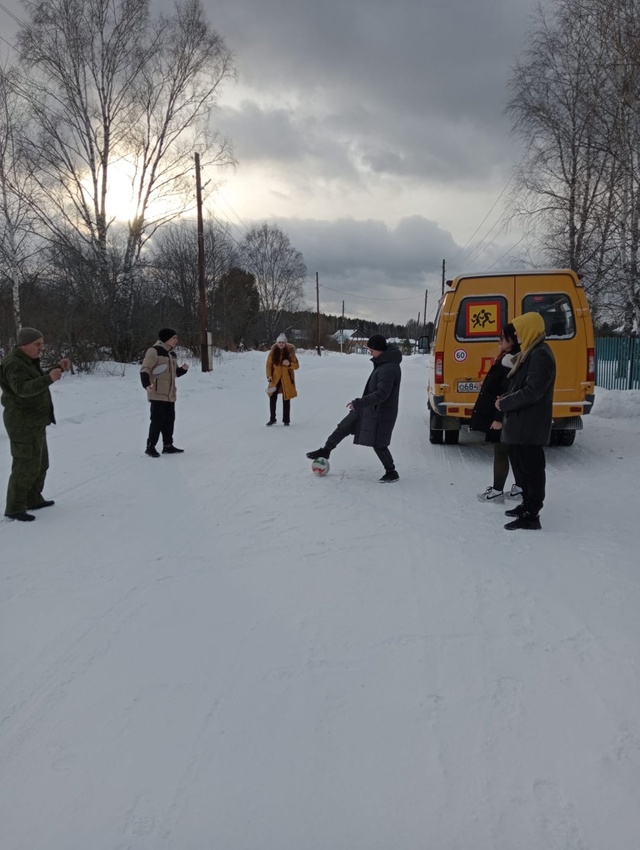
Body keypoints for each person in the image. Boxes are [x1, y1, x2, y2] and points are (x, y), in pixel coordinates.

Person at [306, 334, 402, 482]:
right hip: (369, 409)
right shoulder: (384, 363)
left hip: (381, 412)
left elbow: (382, 394)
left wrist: (359, 403)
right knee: (344, 426)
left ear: (379, 349)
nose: (370, 352)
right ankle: (326, 451)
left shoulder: (388, 368)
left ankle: (391, 472)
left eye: (371, 350)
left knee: (379, 443)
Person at [0, 327, 71, 522]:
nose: (42, 348)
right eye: (37, 344)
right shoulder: (13, 364)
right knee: (25, 466)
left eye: (42, 343)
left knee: (40, 463)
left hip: (35, 421)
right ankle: (14, 507)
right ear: (23, 345)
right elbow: (22, 389)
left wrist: (56, 368)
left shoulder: (27, 361)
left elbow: (34, 381)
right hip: (22, 423)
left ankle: (32, 499)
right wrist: (49, 378)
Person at [496, 312, 556, 530]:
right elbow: (521, 385)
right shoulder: (530, 352)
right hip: (522, 424)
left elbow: (532, 392)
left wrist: (506, 403)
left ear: (530, 330)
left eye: (520, 332)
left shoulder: (541, 354)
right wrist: (505, 399)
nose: (517, 336)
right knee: (522, 467)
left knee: (532, 470)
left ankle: (532, 514)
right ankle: (526, 505)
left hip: (530, 425)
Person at [470, 323, 523, 503]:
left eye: (503, 337)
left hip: (503, 413)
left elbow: (508, 390)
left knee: (501, 452)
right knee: (512, 452)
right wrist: (485, 386)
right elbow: (500, 384)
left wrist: (498, 419)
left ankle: (497, 492)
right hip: (505, 412)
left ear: (512, 340)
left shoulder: (509, 361)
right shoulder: (509, 357)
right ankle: (519, 489)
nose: (499, 340)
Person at [140, 328, 189, 457]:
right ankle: (150, 447)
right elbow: (145, 369)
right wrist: (146, 385)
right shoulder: (154, 351)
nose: (176, 341)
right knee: (157, 420)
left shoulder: (172, 354)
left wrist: (183, 370)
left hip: (170, 394)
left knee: (169, 420)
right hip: (157, 392)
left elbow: (174, 374)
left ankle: (168, 446)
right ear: (166, 338)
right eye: (174, 338)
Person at [266, 333, 299, 426]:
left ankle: (286, 420)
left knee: (286, 399)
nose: (281, 344)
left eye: (283, 342)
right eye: (279, 342)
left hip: (287, 379)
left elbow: (296, 366)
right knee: (272, 398)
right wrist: (269, 375)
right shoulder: (272, 352)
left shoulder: (290, 352)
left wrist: (289, 364)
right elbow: (268, 365)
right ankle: (272, 419)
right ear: (277, 343)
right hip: (275, 379)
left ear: (285, 343)